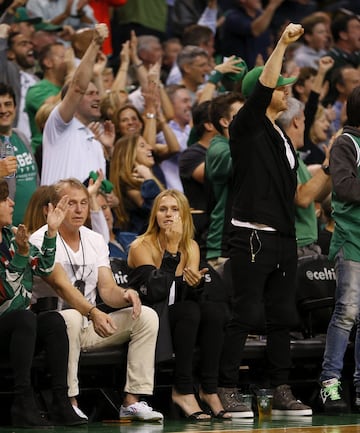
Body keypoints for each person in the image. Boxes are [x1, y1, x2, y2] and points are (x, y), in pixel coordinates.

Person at [217, 23, 313, 417]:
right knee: (245, 314)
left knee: (282, 317)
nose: (287, 89)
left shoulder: (281, 134)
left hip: (284, 237)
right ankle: (225, 388)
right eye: (281, 85)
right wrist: (282, 45)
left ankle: (280, 388)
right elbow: (260, 91)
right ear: (263, 91)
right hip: (252, 236)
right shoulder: (247, 126)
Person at [29, 178, 163, 422]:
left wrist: (125, 295)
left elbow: (107, 289)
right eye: (71, 204)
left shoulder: (94, 239)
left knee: (146, 316)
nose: (80, 210)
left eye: (83, 203)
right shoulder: (40, 240)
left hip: (88, 325)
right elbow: (62, 286)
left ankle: (132, 401)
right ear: (54, 207)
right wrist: (93, 312)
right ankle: (70, 401)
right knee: (69, 316)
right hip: (52, 330)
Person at [128, 189, 232, 419]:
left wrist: (196, 286)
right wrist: (172, 251)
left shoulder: (191, 246)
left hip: (180, 316)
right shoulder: (140, 247)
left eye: (175, 209)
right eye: (163, 209)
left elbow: (188, 295)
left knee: (214, 312)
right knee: (189, 311)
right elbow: (156, 292)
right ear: (154, 215)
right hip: (149, 317)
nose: (168, 215)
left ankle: (209, 388)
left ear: (184, 215)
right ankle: (183, 390)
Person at [0, 178, 86, 427]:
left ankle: (61, 400)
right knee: (25, 318)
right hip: (6, 326)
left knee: (53, 321)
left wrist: (51, 233)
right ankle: (23, 402)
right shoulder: (17, 243)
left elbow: (45, 267)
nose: (11, 202)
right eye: (4, 199)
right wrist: (21, 257)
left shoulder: (13, 235)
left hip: (18, 331)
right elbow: (5, 292)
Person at [318, 85, 360, 414]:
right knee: (346, 313)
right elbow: (344, 188)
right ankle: (330, 383)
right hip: (352, 239)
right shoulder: (346, 143)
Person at [41, 23, 111, 185]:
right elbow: (78, 87)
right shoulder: (59, 126)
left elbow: (101, 191)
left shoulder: (95, 141)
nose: (97, 98)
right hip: (58, 209)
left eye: (97, 94)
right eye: (91, 94)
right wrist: (95, 44)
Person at [277, 96, 332, 258]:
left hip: (305, 244)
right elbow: (302, 199)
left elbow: (318, 194)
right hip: (295, 245)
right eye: (304, 120)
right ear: (296, 121)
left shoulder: (295, 157)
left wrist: (333, 167)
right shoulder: (282, 155)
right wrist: (326, 166)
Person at [109, 133, 164, 235]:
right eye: (142, 146)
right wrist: (148, 178)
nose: (150, 148)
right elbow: (156, 209)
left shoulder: (144, 178)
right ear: (129, 155)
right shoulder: (129, 185)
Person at [0, 82, 38, 226]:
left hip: (33, 225)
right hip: (8, 230)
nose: (3, 110)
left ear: (15, 108)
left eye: (8, 104)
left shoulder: (21, 136)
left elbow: (35, 178)